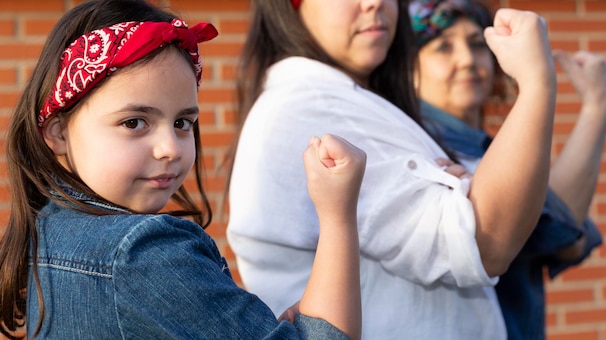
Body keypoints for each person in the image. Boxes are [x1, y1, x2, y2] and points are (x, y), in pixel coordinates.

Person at [0, 0, 366, 338]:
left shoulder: (49, 228)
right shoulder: (145, 253)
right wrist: (337, 214)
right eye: (134, 122)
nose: (170, 149)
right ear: (59, 133)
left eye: (182, 123)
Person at [228, 0, 557, 339]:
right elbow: (484, 243)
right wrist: (536, 81)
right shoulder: (318, 108)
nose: (374, 2)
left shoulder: (345, 99)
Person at [409, 0, 606, 338]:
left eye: (477, 44)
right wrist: (595, 105)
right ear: (407, 68)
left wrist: (596, 104)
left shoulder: (488, 146)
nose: (467, 60)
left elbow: (567, 238)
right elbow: (561, 229)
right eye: (443, 47)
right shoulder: (418, 151)